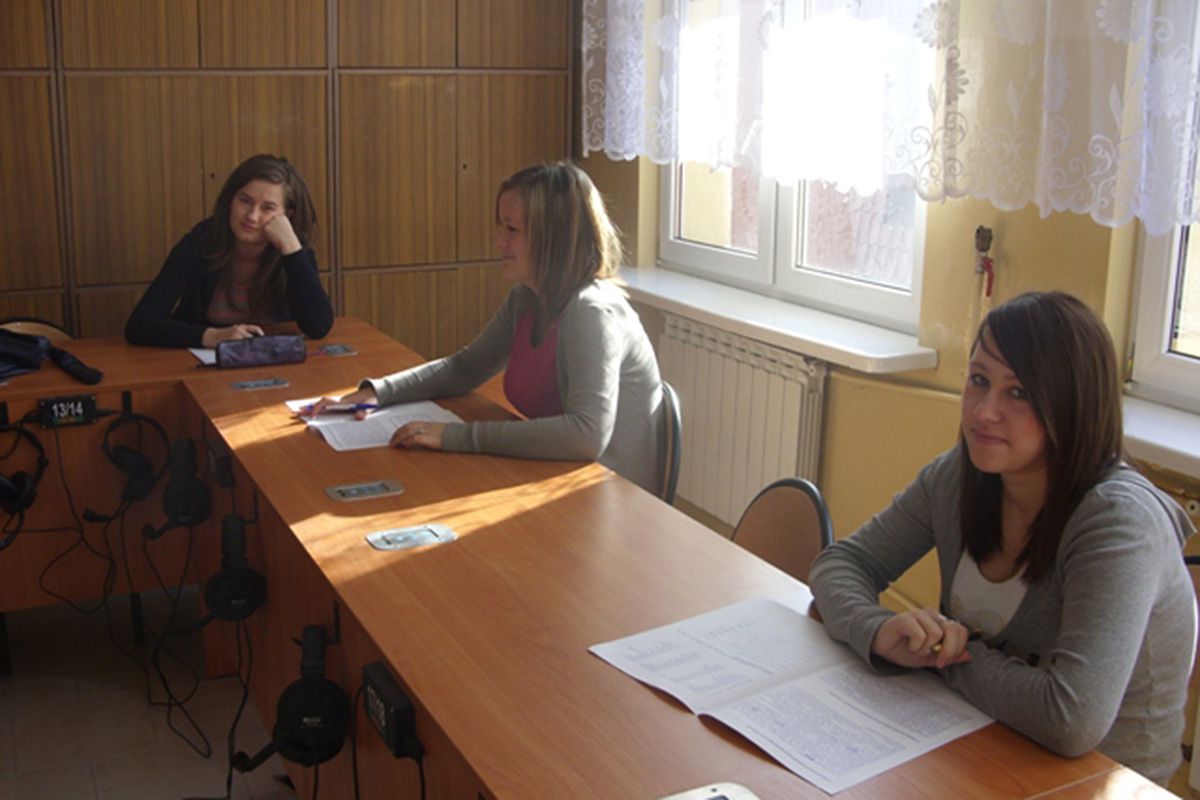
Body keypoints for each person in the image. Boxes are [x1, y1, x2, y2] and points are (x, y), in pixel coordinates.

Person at [809, 291, 1196, 785]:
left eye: (1019, 393)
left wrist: (942, 656)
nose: (984, 411)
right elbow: (841, 564)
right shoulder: (961, 475)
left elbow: (1071, 718)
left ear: (1073, 405)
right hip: (977, 738)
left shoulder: (1119, 523)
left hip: (1101, 782)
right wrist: (878, 629)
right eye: (979, 380)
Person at [308, 161, 667, 493]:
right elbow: (465, 368)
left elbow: (586, 435)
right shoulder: (527, 298)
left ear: (553, 237)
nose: (499, 241)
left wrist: (456, 436)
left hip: (611, 496)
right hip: (557, 478)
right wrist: (379, 392)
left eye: (512, 229)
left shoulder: (592, 311)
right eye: (501, 226)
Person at [125, 154, 333, 348]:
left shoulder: (293, 248)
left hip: (274, 362)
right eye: (245, 201)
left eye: (267, 208)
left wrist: (292, 250)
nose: (252, 216)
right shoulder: (201, 241)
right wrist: (210, 336)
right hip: (202, 364)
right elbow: (140, 324)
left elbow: (318, 326)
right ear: (231, 200)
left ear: (287, 216)